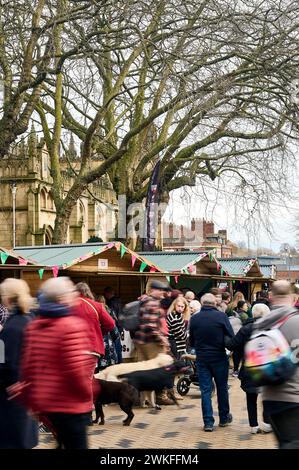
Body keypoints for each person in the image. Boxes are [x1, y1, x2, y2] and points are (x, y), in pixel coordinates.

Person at [15, 277, 96, 449]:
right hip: (71, 404)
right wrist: (89, 392)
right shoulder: (72, 326)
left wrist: (29, 397)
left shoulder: (34, 326)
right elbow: (75, 370)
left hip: (46, 404)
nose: (75, 295)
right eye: (70, 292)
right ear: (61, 299)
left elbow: (27, 366)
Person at [253, 280, 299, 449]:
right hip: (294, 397)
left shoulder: (260, 325)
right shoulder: (296, 322)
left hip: (269, 397)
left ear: (271, 297)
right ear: (293, 298)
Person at [0, 279, 38, 449]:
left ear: (7, 298)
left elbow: (5, 362)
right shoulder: (29, 319)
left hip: (12, 394)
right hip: (27, 391)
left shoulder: (12, 326)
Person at [189, 293, 234, 431]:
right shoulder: (221, 316)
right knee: (222, 388)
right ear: (214, 303)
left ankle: (208, 422)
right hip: (219, 357)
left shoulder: (195, 319)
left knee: (206, 391)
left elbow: (191, 341)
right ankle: (224, 418)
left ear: (202, 303)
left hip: (202, 358)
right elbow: (231, 336)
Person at [225, 303, 273, 434]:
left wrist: (225, 335)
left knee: (251, 398)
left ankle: (253, 426)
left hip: (250, 368)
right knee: (268, 397)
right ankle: (267, 423)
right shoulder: (272, 329)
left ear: (254, 313)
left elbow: (231, 345)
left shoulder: (246, 329)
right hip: (267, 368)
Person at [133, 280, 172, 406]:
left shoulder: (143, 300)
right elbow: (151, 326)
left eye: (163, 290)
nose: (162, 292)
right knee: (160, 370)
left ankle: (142, 398)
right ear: (152, 290)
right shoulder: (153, 303)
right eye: (160, 290)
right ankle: (160, 396)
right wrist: (163, 339)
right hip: (151, 343)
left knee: (144, 371)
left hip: (141, 341)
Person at [74, 282, 116, 371]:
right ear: (88, 292)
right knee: (88, 378)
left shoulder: (68, 305)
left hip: (74, 347)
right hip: (92, 348)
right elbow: (111, 324)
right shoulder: (97, 306)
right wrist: (100, 332)